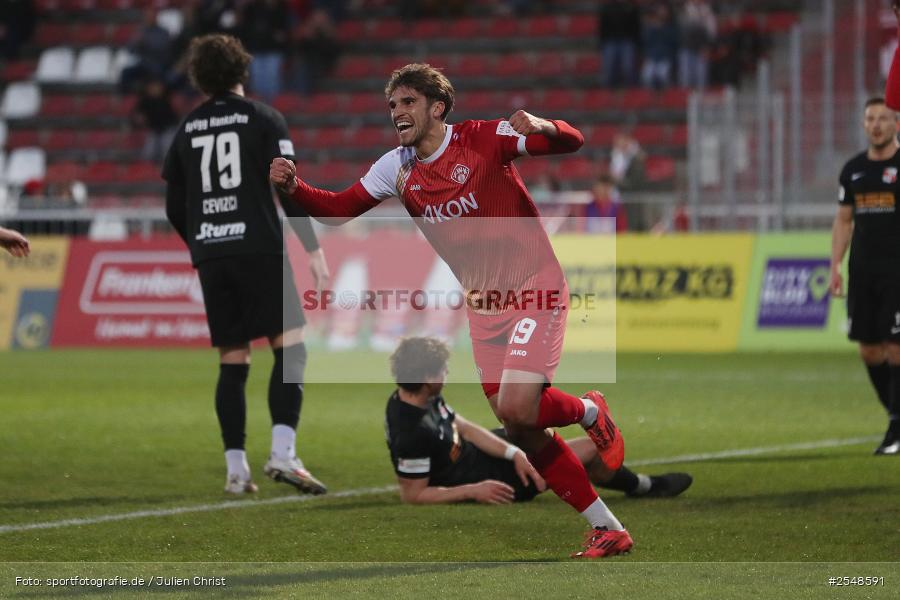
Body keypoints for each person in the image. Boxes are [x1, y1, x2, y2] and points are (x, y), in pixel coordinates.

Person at [270, 63, 634, 558]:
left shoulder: (485, 138)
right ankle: (606, 527)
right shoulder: (394, 167)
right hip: (485, 307)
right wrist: (293, 187)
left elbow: (573, 141)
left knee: (517, 408)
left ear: (436, 107)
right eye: (392, 105)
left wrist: (544, 126)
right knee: (522, 425)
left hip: (533, 285)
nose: (397, 112)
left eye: (407, 102)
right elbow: (338, 209)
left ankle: (592, 410)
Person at [163, 34, 331, 494]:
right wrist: (313, 251)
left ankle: (236, 471)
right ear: (243, 70)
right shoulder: (263, 118)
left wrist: (201, 243)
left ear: (199, 78)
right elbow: (289, 187)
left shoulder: (187, 128)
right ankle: (283, 453)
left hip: (213, 255)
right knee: (290, 349)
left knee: (233, 360)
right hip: (259, 248)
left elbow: (174, 206)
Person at [386, 337, 693, 505]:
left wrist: (514, 452)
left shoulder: (418, 396)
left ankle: (636, 487)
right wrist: (474, 490)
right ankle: (643, 487)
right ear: (426, 379)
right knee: (590, 449)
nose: (446, 375)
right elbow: (413, 494)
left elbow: (463, 427)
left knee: (534, 434)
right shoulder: (410, 431)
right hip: (485, 478)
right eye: (441, 371)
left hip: (485, 456)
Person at [829, 97, 900, 456]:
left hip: (898, 273)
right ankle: (894, 415)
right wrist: (835, 266)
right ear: (863, 124)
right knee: (870, 351)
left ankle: (896, 427)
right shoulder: (853, 169)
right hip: (863, 271)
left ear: (896, 124)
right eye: (870, 118)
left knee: (897, 348)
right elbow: (843, 221)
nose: (876, 124)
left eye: (883, 118)